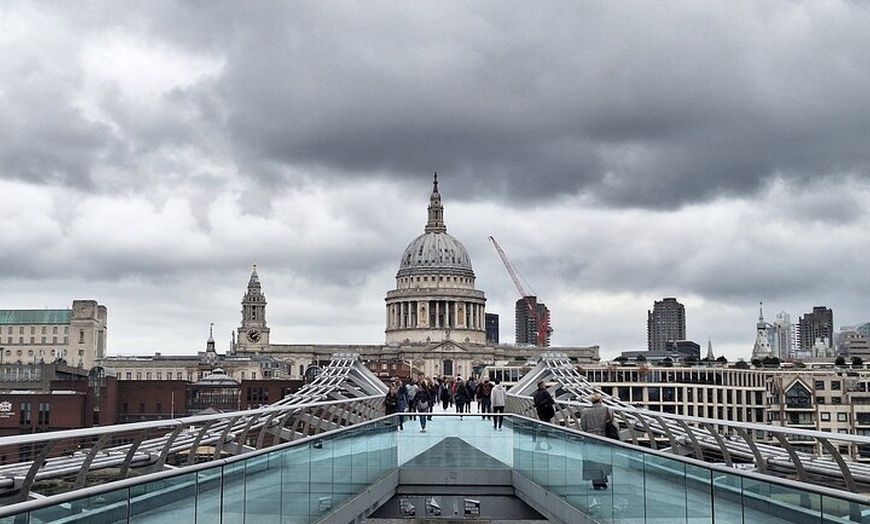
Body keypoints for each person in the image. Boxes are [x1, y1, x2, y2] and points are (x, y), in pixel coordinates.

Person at [581, 393, 613, 490]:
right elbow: (612, 423)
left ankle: (596, 481)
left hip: (590, 437)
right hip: (604, 437)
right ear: (601, 400)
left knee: (592, 460)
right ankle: (603, 479)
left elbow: (584, 426)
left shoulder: (585, 412)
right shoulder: (608, 410)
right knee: (603, 459)